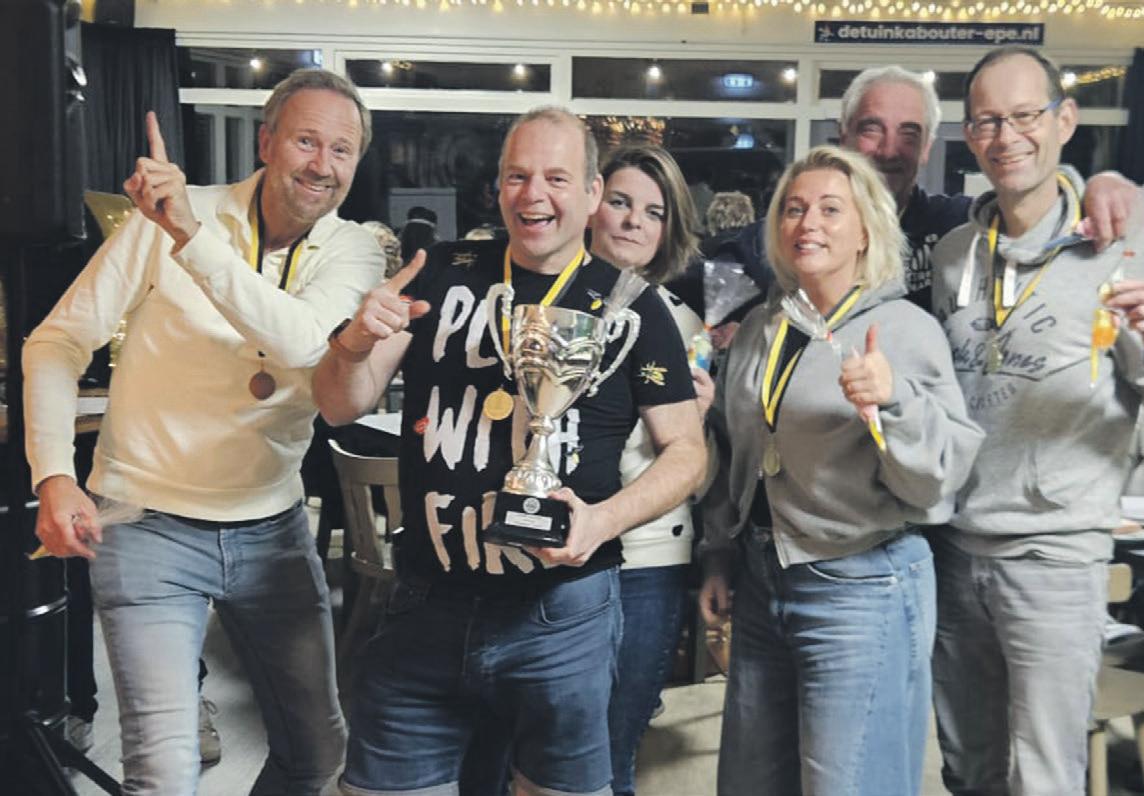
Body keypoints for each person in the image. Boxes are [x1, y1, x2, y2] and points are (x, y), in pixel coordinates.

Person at [314, 106, 706, 796]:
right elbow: (338, 404)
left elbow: (686, 452)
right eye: (517, 176)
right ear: (497, 188)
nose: (534, 195)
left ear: (591, 193)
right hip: (426, 598)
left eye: (556, 177)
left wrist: (601, 522)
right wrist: (352, 343)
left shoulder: (633, 307)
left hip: (561, 614)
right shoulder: (437, 273)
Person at [24, 67, 385, 794]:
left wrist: (190, 237)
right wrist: (55, 473)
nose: (322, 164)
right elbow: (56, 342)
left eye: (341, 149)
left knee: (317, 757)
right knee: (164, 772)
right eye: (306, 141)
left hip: (272, 529)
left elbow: (303, 343)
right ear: (266, 142)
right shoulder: (164, 219)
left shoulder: (356, 249)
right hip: (145, 524)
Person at [929, 46, 1144, 796]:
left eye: (1025, 115)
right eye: (987, 120)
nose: (1006, 135)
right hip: (955, 548)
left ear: (1064, 121)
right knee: (966, 768)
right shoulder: (953, 254)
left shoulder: (1127, 248)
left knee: (1045, 774)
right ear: (969, 134)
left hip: (1055, 555)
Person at [698, 145, 984, 796]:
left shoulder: (903, 329)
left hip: (861, 587)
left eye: (831, 210)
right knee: (749, 783)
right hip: (762, 580)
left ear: (865, 231)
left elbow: (937, 481)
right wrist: (718, 553)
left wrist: (893, 402)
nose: (808, 224)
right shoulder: (759, 328)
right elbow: (736, 455)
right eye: (794, 209)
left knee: (851, 784)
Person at [588, 145, 713, 796]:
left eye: (654, 212)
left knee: (615, 748)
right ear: (591, 203)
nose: (634, 221)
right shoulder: (539, 306)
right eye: (620, 202)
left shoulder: (684, 324)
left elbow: (701, 475)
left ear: (669, 230)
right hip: (553, 553)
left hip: (647, 559)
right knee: (533, 747)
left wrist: (700, 424)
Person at [837, 64, 1140, 311]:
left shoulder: (958, 225)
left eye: (909, 134)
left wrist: (1101, 186)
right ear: (844, 136)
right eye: (871, 129)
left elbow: (1029, 197)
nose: (889, 150)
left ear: (927, 148)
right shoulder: (814, 227)